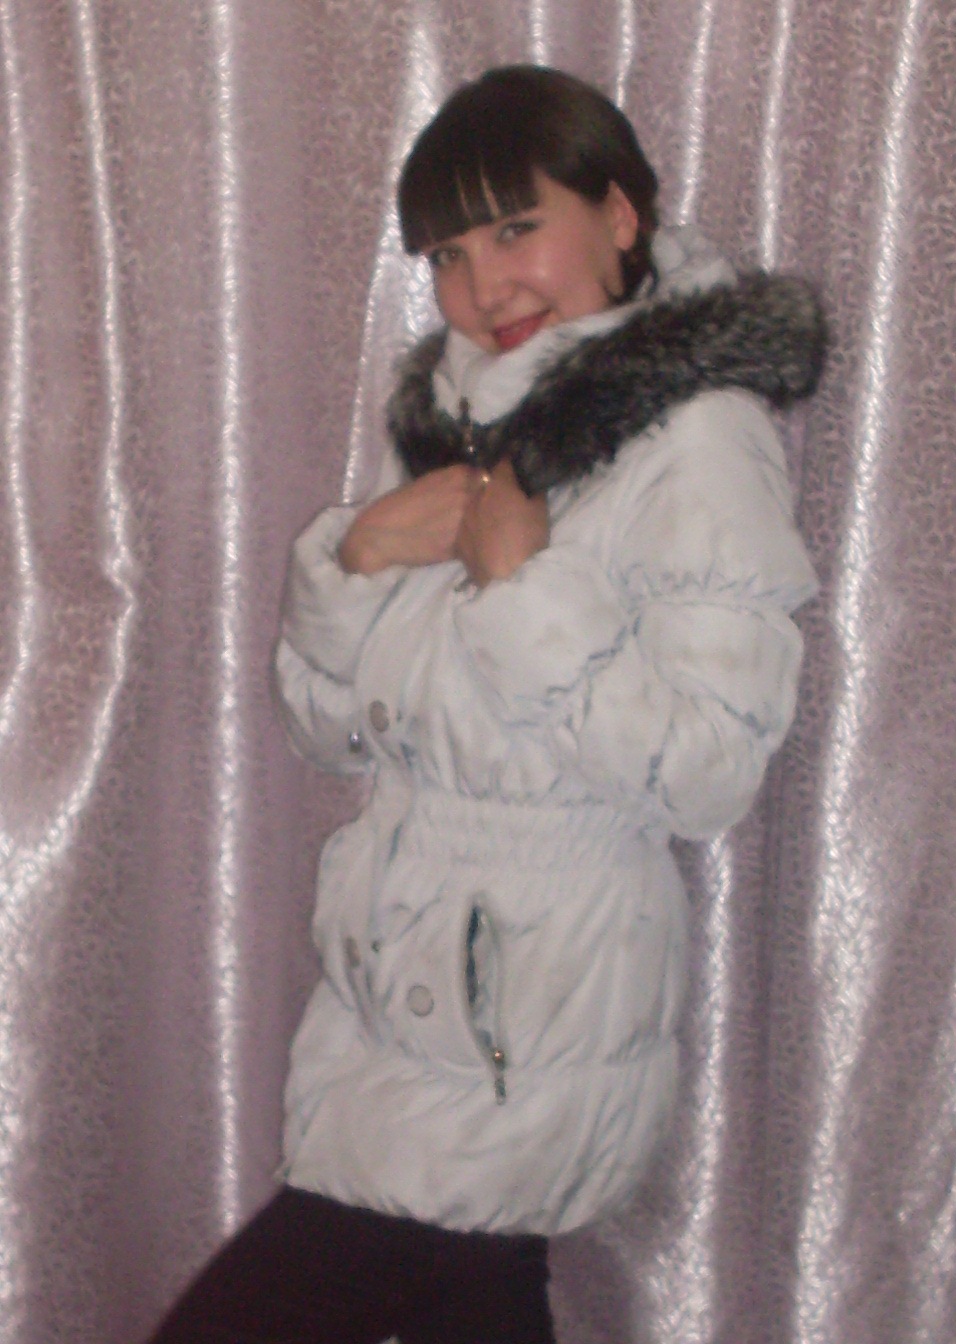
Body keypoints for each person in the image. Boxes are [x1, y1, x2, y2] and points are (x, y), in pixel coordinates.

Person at [148, 64, 824, 1344]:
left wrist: (524, 590)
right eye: (450, 255)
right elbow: (332, 734)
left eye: (518, 229)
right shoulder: (462, 419)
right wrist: (357, 562)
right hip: (401, 1000)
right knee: (478, 1302)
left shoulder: (696, 438)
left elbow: (708, 773)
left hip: (532, 1011)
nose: (483, 287)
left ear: (619, 214)